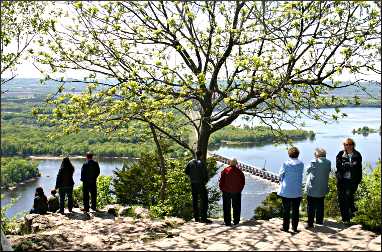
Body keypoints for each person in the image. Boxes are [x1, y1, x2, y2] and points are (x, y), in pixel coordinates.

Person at [277, 147, 304, 233]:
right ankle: (295, 228)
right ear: (298, 154)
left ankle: (285, 227)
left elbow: (280, 175)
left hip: (286, 190)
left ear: (289, 154)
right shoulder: (301, 164)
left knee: (286, 210)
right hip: (297, 191)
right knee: (296, 210)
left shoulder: (285, 164)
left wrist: (282, 180)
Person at [336, 138, 362, 223]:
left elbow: (358, 169)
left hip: (353, 181)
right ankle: (345, 219)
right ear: (344, 145)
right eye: (346, 144)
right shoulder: (340, 154)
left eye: (350, 144)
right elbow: (339, 167)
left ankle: (351, 215)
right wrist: (349, 165)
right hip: (342, 181)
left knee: (349, 198)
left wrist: (358, 181)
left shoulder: (357, 155)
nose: (348, 146)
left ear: (353, 145)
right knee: (342, 200)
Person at [305, 148, 331, 228]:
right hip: (322, 188)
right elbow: (328, 171)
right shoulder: (328, 162)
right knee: (320, 205)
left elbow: (307, 171)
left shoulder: (314, 162)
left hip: (312, 188)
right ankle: (319, 222)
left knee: (311, 206)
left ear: (317, 155)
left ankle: (310, 223)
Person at [185, 151, 212, 224]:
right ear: (201, 156)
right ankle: (203, 218)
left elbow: (186, 171)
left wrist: (192, 177)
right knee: (204, 200)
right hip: (200, 184)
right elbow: (205, 175)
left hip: (193, 184)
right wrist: (205, 181)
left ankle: (196, 217)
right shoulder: (202, 163)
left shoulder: (190, 162)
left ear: (195, 155)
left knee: (195, 200)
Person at [219, 158, 245, 226]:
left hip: (226, 191)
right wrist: (240, 189)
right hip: (236, 192)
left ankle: (227, 222)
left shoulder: (225, 170)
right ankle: (236, 221)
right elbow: (243, 182)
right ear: (236, 164)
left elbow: (221, 181)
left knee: (226, 206)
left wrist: (222, 188)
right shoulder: (239, 171)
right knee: (236, 206)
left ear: (230, 163)